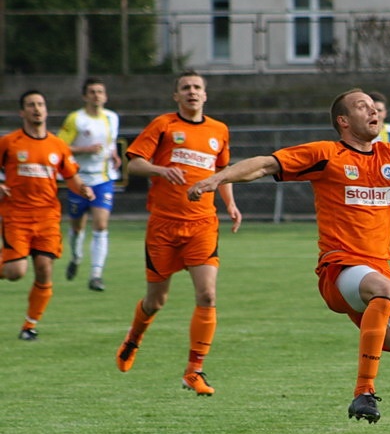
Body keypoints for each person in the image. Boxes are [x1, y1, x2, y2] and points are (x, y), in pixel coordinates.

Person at [187, 88, 390, 434]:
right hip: (339, 270)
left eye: (375, 105)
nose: (373, 110)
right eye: (362, 106)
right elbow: (265, 164)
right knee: (381, 287)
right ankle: (364, 390)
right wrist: (217, 178)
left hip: (380, 274)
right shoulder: (325, 154)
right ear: (343, 122)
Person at [115, 70, 242, 396]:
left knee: (208, 295)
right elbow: (133, 164)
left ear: (205, 94)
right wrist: (160, 169)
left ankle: (194, 371)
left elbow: (221, 173)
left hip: (202, 224)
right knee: (157, 300)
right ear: (177, 96)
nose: (192, 92)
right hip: (163, 226)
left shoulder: (219, 130)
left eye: (197, 87)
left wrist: (230, 204)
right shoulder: (163, 125)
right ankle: (134, 337)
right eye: (185, 88)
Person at [0, 90, 95, 340]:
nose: (37, 109)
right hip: (16, 216)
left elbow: (71, 177)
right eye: (31, 105)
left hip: (47, 218)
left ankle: (29, 325)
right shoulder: (9, 143)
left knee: (44, 269)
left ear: (46, 109)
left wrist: (82, 188)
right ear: (22, 112)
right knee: (15, 272)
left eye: (40, 104)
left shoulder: (57, 145)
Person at [58, 77, 122, 291]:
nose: (97, 95)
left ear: (105, 96)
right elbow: (59, 147)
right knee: (77, 227)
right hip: (79, 178)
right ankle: (76, 257)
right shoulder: (76, 119)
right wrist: (85, 150)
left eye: (100, 91)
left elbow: (110, 143)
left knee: (101, 224)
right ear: (85, 96)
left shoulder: (112, 118)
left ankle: (96, 274)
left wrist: (113, 155)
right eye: (92, 92)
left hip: (103, 178)